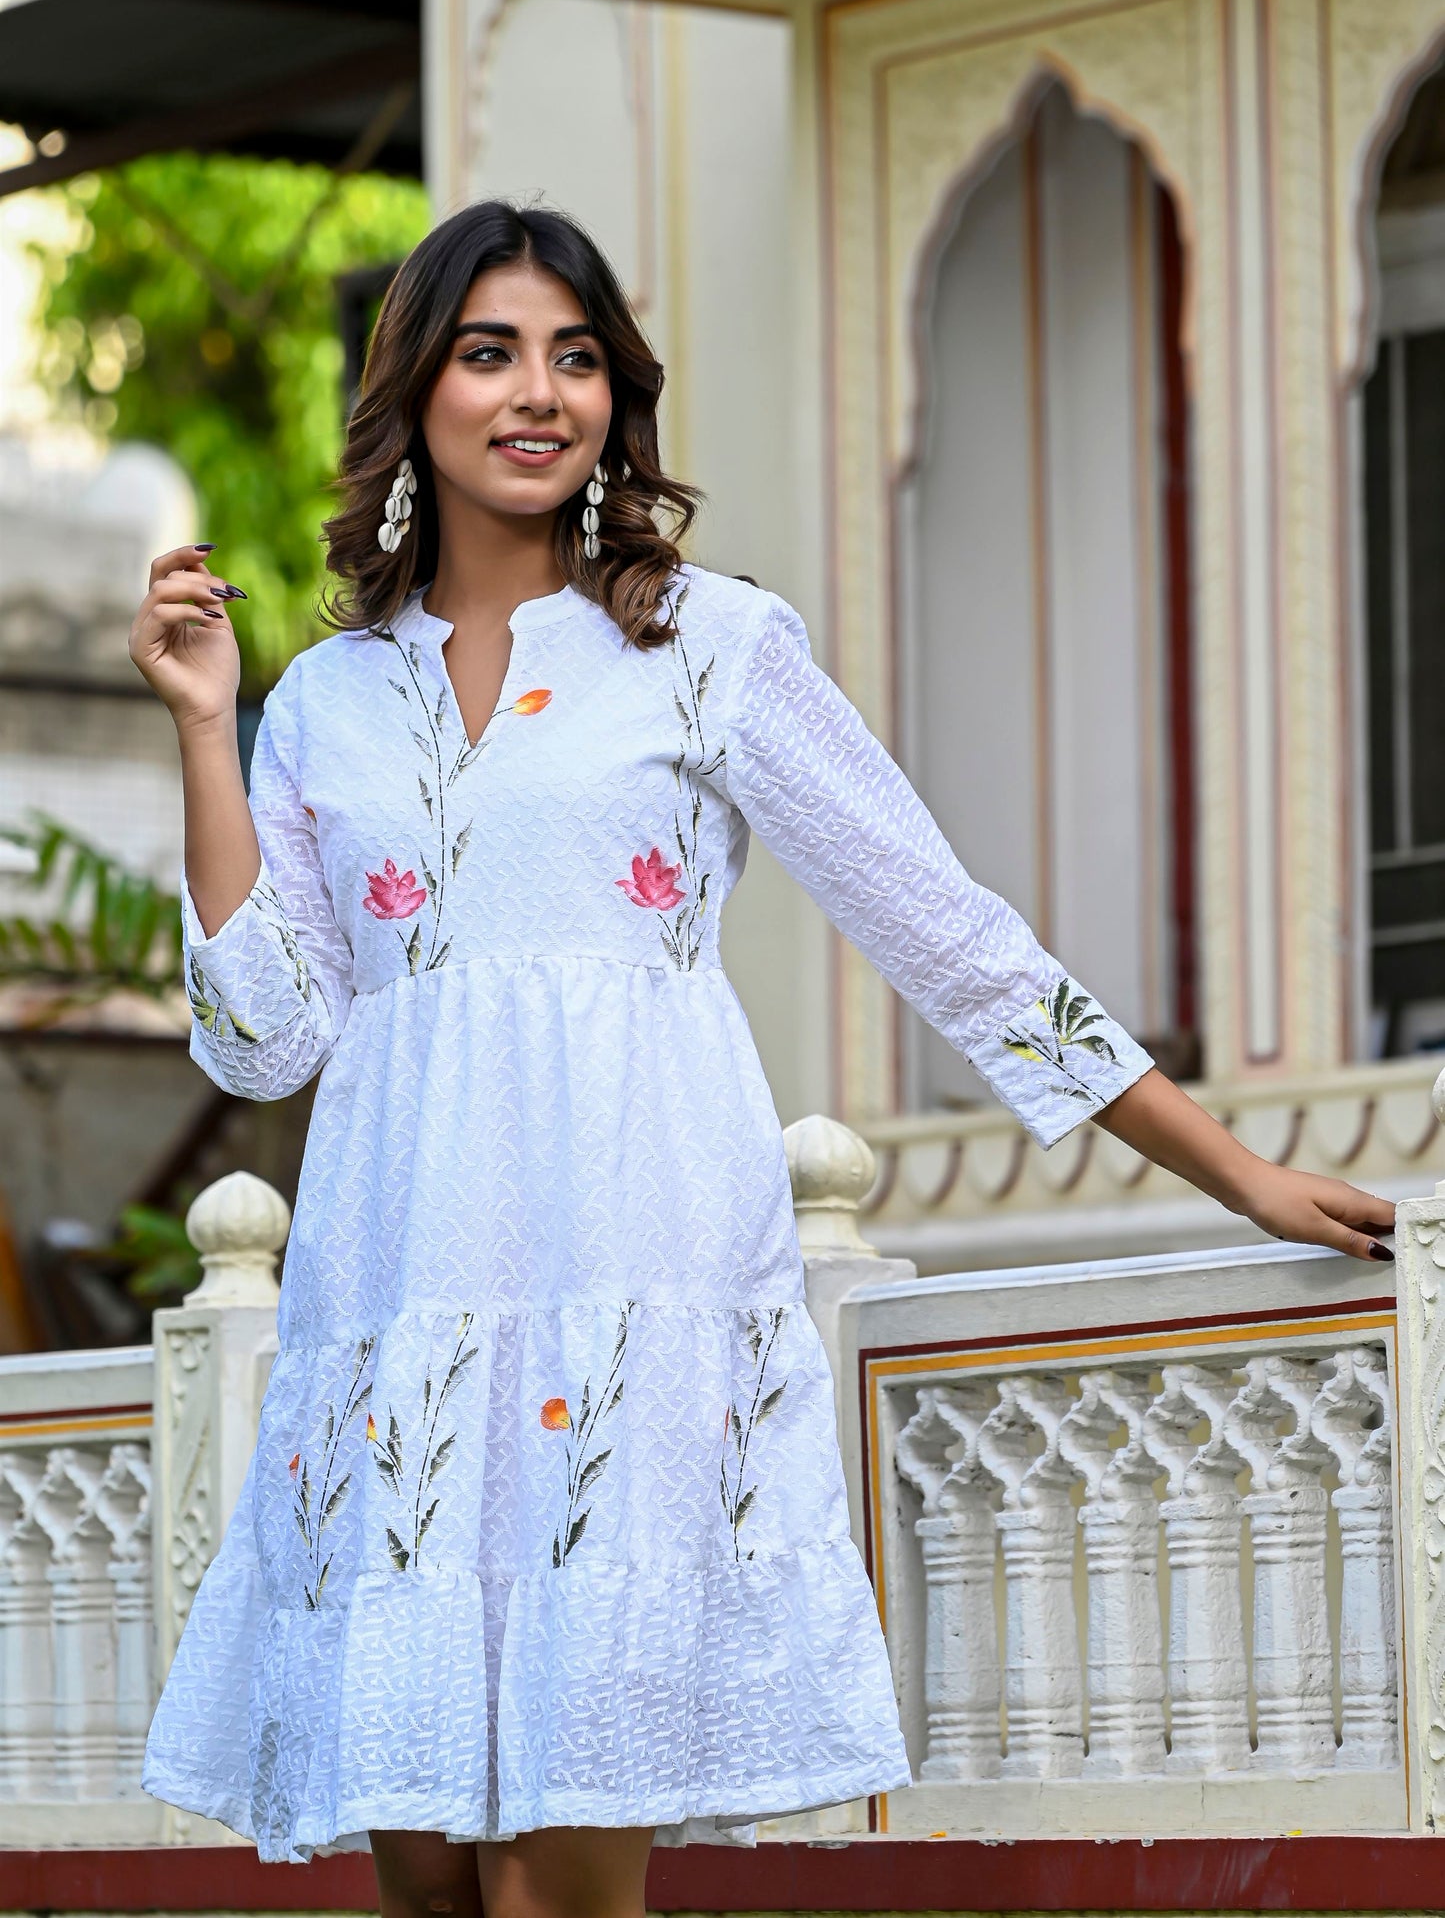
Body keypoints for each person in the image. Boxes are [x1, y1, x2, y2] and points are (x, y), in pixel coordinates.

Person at [131, 201, 1395, 1918]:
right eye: (490, 351)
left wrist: (1230, 1166)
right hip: (400, 1300)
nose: (537, 392)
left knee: (557, 1895)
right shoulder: (332, 699)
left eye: (575, 357)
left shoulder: (707, 646)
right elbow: (265, 1034)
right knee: (428, 1889)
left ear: (614, 398)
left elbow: (943, 927)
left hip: (626, 1274)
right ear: (415, 389)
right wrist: (213, 731)